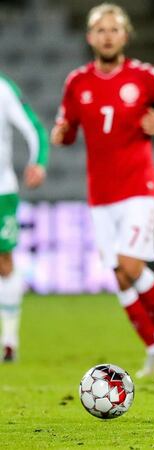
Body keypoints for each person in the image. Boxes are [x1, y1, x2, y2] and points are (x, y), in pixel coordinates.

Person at [50, 3, 154, 377]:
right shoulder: (77, 82)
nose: (107, 36)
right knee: (119, 275)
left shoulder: (145, 77)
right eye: (100, 30)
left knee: (130, 265)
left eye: (114, 29)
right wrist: (60, 135)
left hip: (138, 187)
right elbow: (68, 129)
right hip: (100, 195)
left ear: (125, 35)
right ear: (90, 36)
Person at [0, 71, 48, 362]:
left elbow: (34, 129)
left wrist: (38, 162)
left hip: (1, 192)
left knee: (4, 262)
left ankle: (9, 340)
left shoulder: (3, 88)